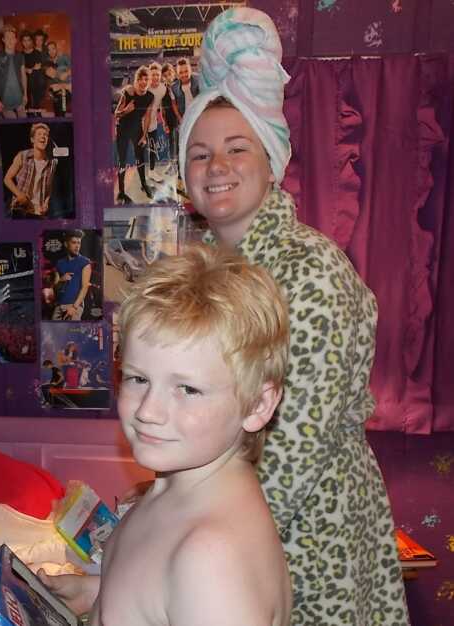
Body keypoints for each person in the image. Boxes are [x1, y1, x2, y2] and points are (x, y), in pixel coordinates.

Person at [174, 8, 408, 624]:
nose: (215, 167)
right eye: (198, 155)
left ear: (271, 159)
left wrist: (188, 536)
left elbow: (295, 446)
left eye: (235, 147)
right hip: (238, 520)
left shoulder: (310, 272)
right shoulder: (207, 270)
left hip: (307, 534)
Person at [75, 245, 290, 625]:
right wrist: (96, 594)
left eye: (187, 389)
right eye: (138, 379)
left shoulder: (209, 560)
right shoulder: (172, 490)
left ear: (258, 405)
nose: (147, 412)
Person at [114, 66, 156, 204]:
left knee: (141, 158)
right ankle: (121, 192)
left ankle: (144, 184)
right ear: (136, 80)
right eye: (140, 79)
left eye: (146, 79)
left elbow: (148, 117)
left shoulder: (150, 96)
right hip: (123, 129)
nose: (143, 82)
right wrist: (126, 110)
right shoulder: (128, 92)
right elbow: (116, 114)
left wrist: (144, 135)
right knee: (122, 161)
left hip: (137, 128)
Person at [3, 123, 57, 218]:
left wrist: (46, 203)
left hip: (38, 213)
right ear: (32, 139)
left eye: (45, 135)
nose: (43, 137)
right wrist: (19, 195)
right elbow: (7, 179)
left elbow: (49, 188)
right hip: (21, 210)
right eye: (39, 134)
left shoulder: (51, 163)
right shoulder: (22, 156)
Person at [51, 230, 91, 321]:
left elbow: (85, 287)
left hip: (74, 306)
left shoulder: (85, 262)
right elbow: (54, 287)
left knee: (72, 333)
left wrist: (74, 307)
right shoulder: (59, 263)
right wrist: (61, 280)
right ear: (66, 244)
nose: (77, 246)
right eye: (74, 242)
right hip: (59, 306)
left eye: (79, 243)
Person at [0, 24, 26, 119]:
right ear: (3, 40)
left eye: (12, 38)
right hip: (4, 100)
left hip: (19, 98)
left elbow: (24, 76)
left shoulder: (20, 56)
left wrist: (25, 94)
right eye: (7, 37)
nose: (10, 40)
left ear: (16, 40)